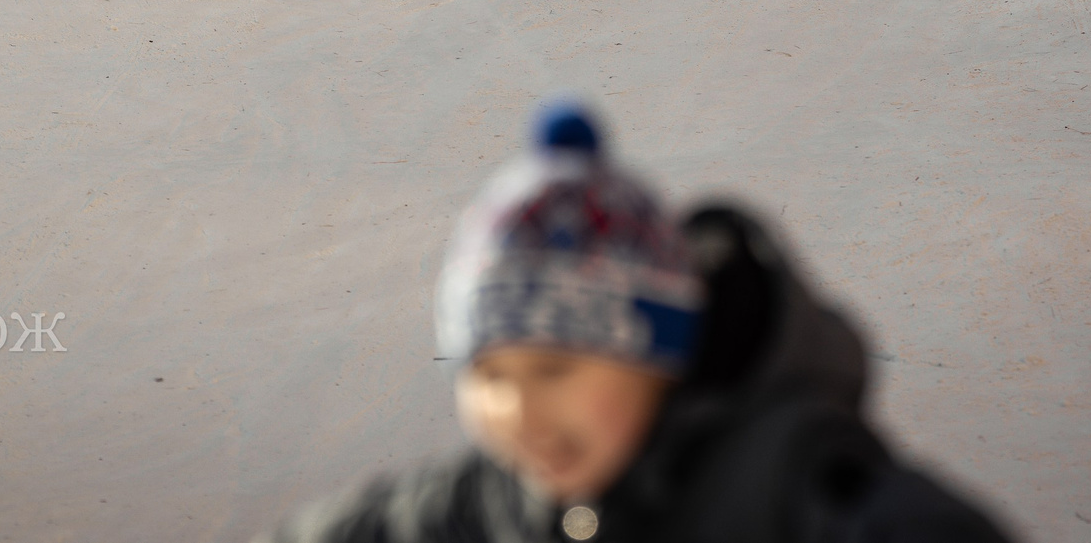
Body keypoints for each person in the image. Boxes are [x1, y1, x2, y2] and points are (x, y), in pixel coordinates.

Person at [255, 100, 1014, 543]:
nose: (518, 409)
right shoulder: (520, 491)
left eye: (556, 367)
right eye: (488, 373)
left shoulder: (787, 481)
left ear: (659, 354)